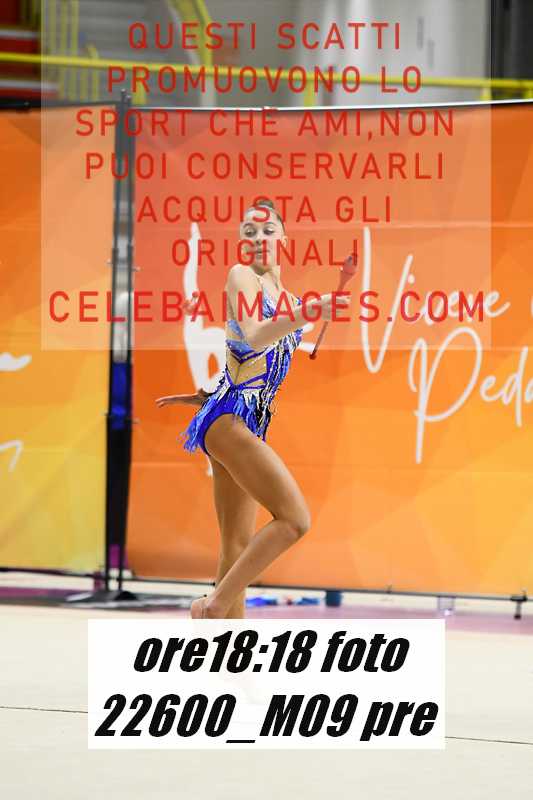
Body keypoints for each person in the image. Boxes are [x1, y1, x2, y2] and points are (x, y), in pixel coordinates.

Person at [155, 200, 350, 618]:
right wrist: (310, 311)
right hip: (229, 420)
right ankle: (211, 606)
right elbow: (255, 336)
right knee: (294, 520)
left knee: (236, 547)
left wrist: (205, 394)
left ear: (284, 238)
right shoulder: (242, 277)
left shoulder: (288, 298)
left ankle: (228, 648)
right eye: (249, 232)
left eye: (267, 230)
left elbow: (246, 361)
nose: (259, 238)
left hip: (240, 416)